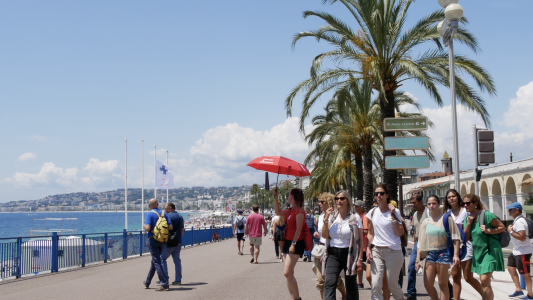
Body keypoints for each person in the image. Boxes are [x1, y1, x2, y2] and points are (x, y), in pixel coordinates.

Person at [415, 195, 461, 300]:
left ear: (439, 204)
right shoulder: (425, 222)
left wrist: (456, 255)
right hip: (430, 254)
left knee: (442, 284)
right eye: (429, 204)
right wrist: (418, 260)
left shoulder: (446, 218)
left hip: (443, 253)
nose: (431, 206)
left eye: (434, 203)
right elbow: (420, 243)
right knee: (428, 284)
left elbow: (456, 238)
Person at [322, 190, 364, 300]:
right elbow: (325, 235)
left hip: (349, 254)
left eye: (342, 198)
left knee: (350, 285)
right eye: (337, 199)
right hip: (333, 253)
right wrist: (325, 219)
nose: (339, 201)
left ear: (348, 201)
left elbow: (360, 240)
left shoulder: (355, 217)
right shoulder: (332, 217)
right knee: (329, 283)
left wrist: (360, 258)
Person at [463, 193, 505, 300]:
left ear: (475, 203)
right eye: (464, 204)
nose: (465, 206)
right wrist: (468, 223)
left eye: (468, 203)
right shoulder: (467, 218)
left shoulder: (486, 215)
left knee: (484, 280)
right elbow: (466, 238)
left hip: (490, 251)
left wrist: (488, 230)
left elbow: (502, 227)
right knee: (485, 283)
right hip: (478, 252)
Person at [367, 183, 405, 300]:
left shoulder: (395, 211)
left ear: (387, 195)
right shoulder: (372, 212)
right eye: (376, 193)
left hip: (393, 251)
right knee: (376, 284)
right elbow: (370, 232)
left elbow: (400, 233)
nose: (379, 196)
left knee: (392, 285)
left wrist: (393, 216)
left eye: (381, 193)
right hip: (377, 250)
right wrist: (369, 248)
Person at [443, 189, 482, 300]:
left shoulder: (466, 211)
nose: (451, 198)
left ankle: (485, 295)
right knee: (455, 276)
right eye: (449, 197)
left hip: (467, 246)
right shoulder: (447, 215)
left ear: (458, 197)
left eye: (453, 196)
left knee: (468, 277)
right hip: (453, 248)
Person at [313, 192, 347, 299]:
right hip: (320, 249)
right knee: (320, 280)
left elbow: (334, 236)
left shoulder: (335, 216)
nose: (320, 204)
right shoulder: (321, 217)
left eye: (322, 202)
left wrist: (327, 252)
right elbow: (324, 234)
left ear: (328, 203)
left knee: (334, 279)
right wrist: (318, 236)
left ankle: (345, 295)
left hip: (329, 250)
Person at [274, 188, 306, 300]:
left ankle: (297, 298)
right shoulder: (291, 210)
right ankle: (293, 297)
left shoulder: (299, 211)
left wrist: (293, 244)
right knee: (289, 275)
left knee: (287, 273)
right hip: (287, 242)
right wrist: (276, 198)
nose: (288, 196)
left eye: (289, 195)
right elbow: (277, 212)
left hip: (296, 242)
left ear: (292, 196)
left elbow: (298, 229)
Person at [143, 198, 173, 291]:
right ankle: (147, 282)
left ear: (149, 206)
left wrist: (144, 226)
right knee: (155, 261)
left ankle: (164, 284)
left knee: (157, 261)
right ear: (158, 204)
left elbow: (147, 228)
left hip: (153, 240)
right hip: (162, 240)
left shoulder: (149, 214)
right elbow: (170, 227)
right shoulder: (164, 214)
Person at [507, 202, 533, 299]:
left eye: (510, 210)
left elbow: (521, 237)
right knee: (510, 268)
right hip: (516, 251)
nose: (509, 211)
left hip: (523, 251)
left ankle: (530, 295)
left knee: (525, 274)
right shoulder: (517, 220)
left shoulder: (520, 221)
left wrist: (511, 231)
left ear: (517, 210)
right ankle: (518, 290)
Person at [406, 194, 426, 300]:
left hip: (430, 243)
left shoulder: (428, 212)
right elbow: (415, 232)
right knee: (411, 267)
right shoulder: (414, 214)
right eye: (412, 202)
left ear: (421, 201)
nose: (412, 204)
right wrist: (414, 245)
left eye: (414, 202)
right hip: (418, 244)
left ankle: (449, 289)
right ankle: (411, 293)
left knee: (436, 269)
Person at [161, 202, 184, 286]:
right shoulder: (180, 216)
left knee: (162, 258)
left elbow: (164, 229)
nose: (165, 210)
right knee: (177, 261)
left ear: (170, 208)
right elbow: (182, 230)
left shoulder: (168, 216)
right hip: (178, 241)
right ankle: (178, 280)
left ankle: (165, 279)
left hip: (170, 242)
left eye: (166, 208)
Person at [354, 200, 371, 289]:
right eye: (355, 206)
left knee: (360, 263)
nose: (355, 207)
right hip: (359, 244)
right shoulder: (357, 216)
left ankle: (370, 273)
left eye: (357, 206)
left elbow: (366, 230)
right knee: (359, 263)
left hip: (364, 245)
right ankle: (360, 282)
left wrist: (357, 230)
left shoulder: (365, 216)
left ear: (362, 207)